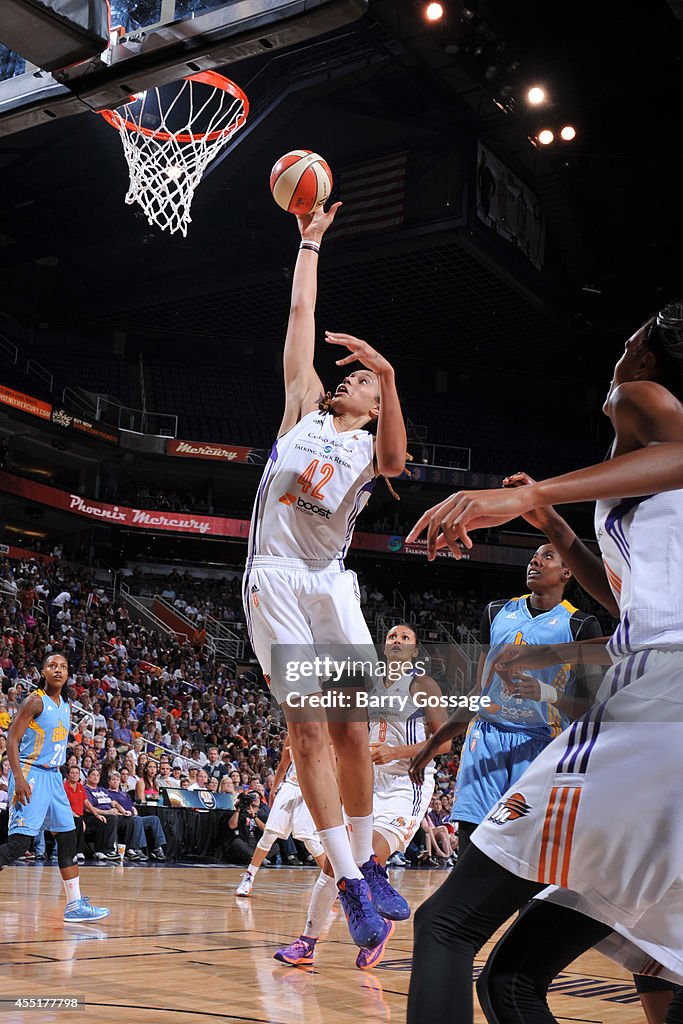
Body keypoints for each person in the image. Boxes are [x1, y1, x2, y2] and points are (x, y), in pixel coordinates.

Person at [405, 301, 683, 1022]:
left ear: (648, 356)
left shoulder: (641, 397)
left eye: (627, 342)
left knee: (445, 927)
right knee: (520, 981)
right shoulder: (644, 488)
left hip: (658, 700)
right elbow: (626, 602)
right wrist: (553, 524)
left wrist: (531, 491)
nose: (618, 356)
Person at [241, 202, 408, 954]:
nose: (347, 382)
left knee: (353, 729)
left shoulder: (374, 447)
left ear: (374, 403)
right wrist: (309, 238)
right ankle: (347, 880)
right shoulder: (300, 409)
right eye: (350, 379)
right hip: (275, 577)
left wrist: (388, 372)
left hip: (328, 581)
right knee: (306, 727)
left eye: (361, 385)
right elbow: (300, 312)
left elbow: (400, 463)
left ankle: (369, 867)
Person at [274, 624, 451, 970]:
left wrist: (397, 751)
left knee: (361, 859)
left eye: (405, 638)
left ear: (415, 652)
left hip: (406, 786)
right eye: (391, 637)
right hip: (367, 783)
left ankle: (375, 925)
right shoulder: (367, 685)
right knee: (334, 861)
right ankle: (307, 941)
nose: (397, 641)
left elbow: (444, 744)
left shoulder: (422, 685)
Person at [446, 543, 601, 857]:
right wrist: (440, 738)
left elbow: (589, 709)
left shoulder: (581, 626)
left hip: (544, 742)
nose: (535, 560)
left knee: (526, 847)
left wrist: (547, 693)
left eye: (547, 556)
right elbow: (479, 688)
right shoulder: (495, 612)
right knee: (472, 831)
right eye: (534, 555)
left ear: (567, 571)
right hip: (487, 734)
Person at [0, 653, 109, 921]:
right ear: (43, 671)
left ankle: (74, 905)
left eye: (62, 667)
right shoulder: (34, 701)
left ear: (68, 673)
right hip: (31, 773)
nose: (57, 670)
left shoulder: (66, 705)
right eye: (52, 666)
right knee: (19, 843)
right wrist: (19, 778)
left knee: (68, 836)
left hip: (53, 777)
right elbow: (12, 740)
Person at [235, 735, 326, 897]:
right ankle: (248, 878)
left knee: (310, 841)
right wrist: (274, 789)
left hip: (313, 789)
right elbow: (284, 764)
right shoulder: (293, 735)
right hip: (290, 785)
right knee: (269, 834)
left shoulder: (326, 736)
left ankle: (334, 882)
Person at [107, 770, 166, 861]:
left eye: (117, 780)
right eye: (113, 779)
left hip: (132, 816)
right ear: (109, 781)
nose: (115, 781)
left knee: (154, 819)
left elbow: (132, 806)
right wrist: (124, 812)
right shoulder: (107, 793)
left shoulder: (124, 794)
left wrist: (134, 810)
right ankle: (138, 849)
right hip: (122, 818)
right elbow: (113, 805)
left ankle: (157, 848)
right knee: (137, 819)